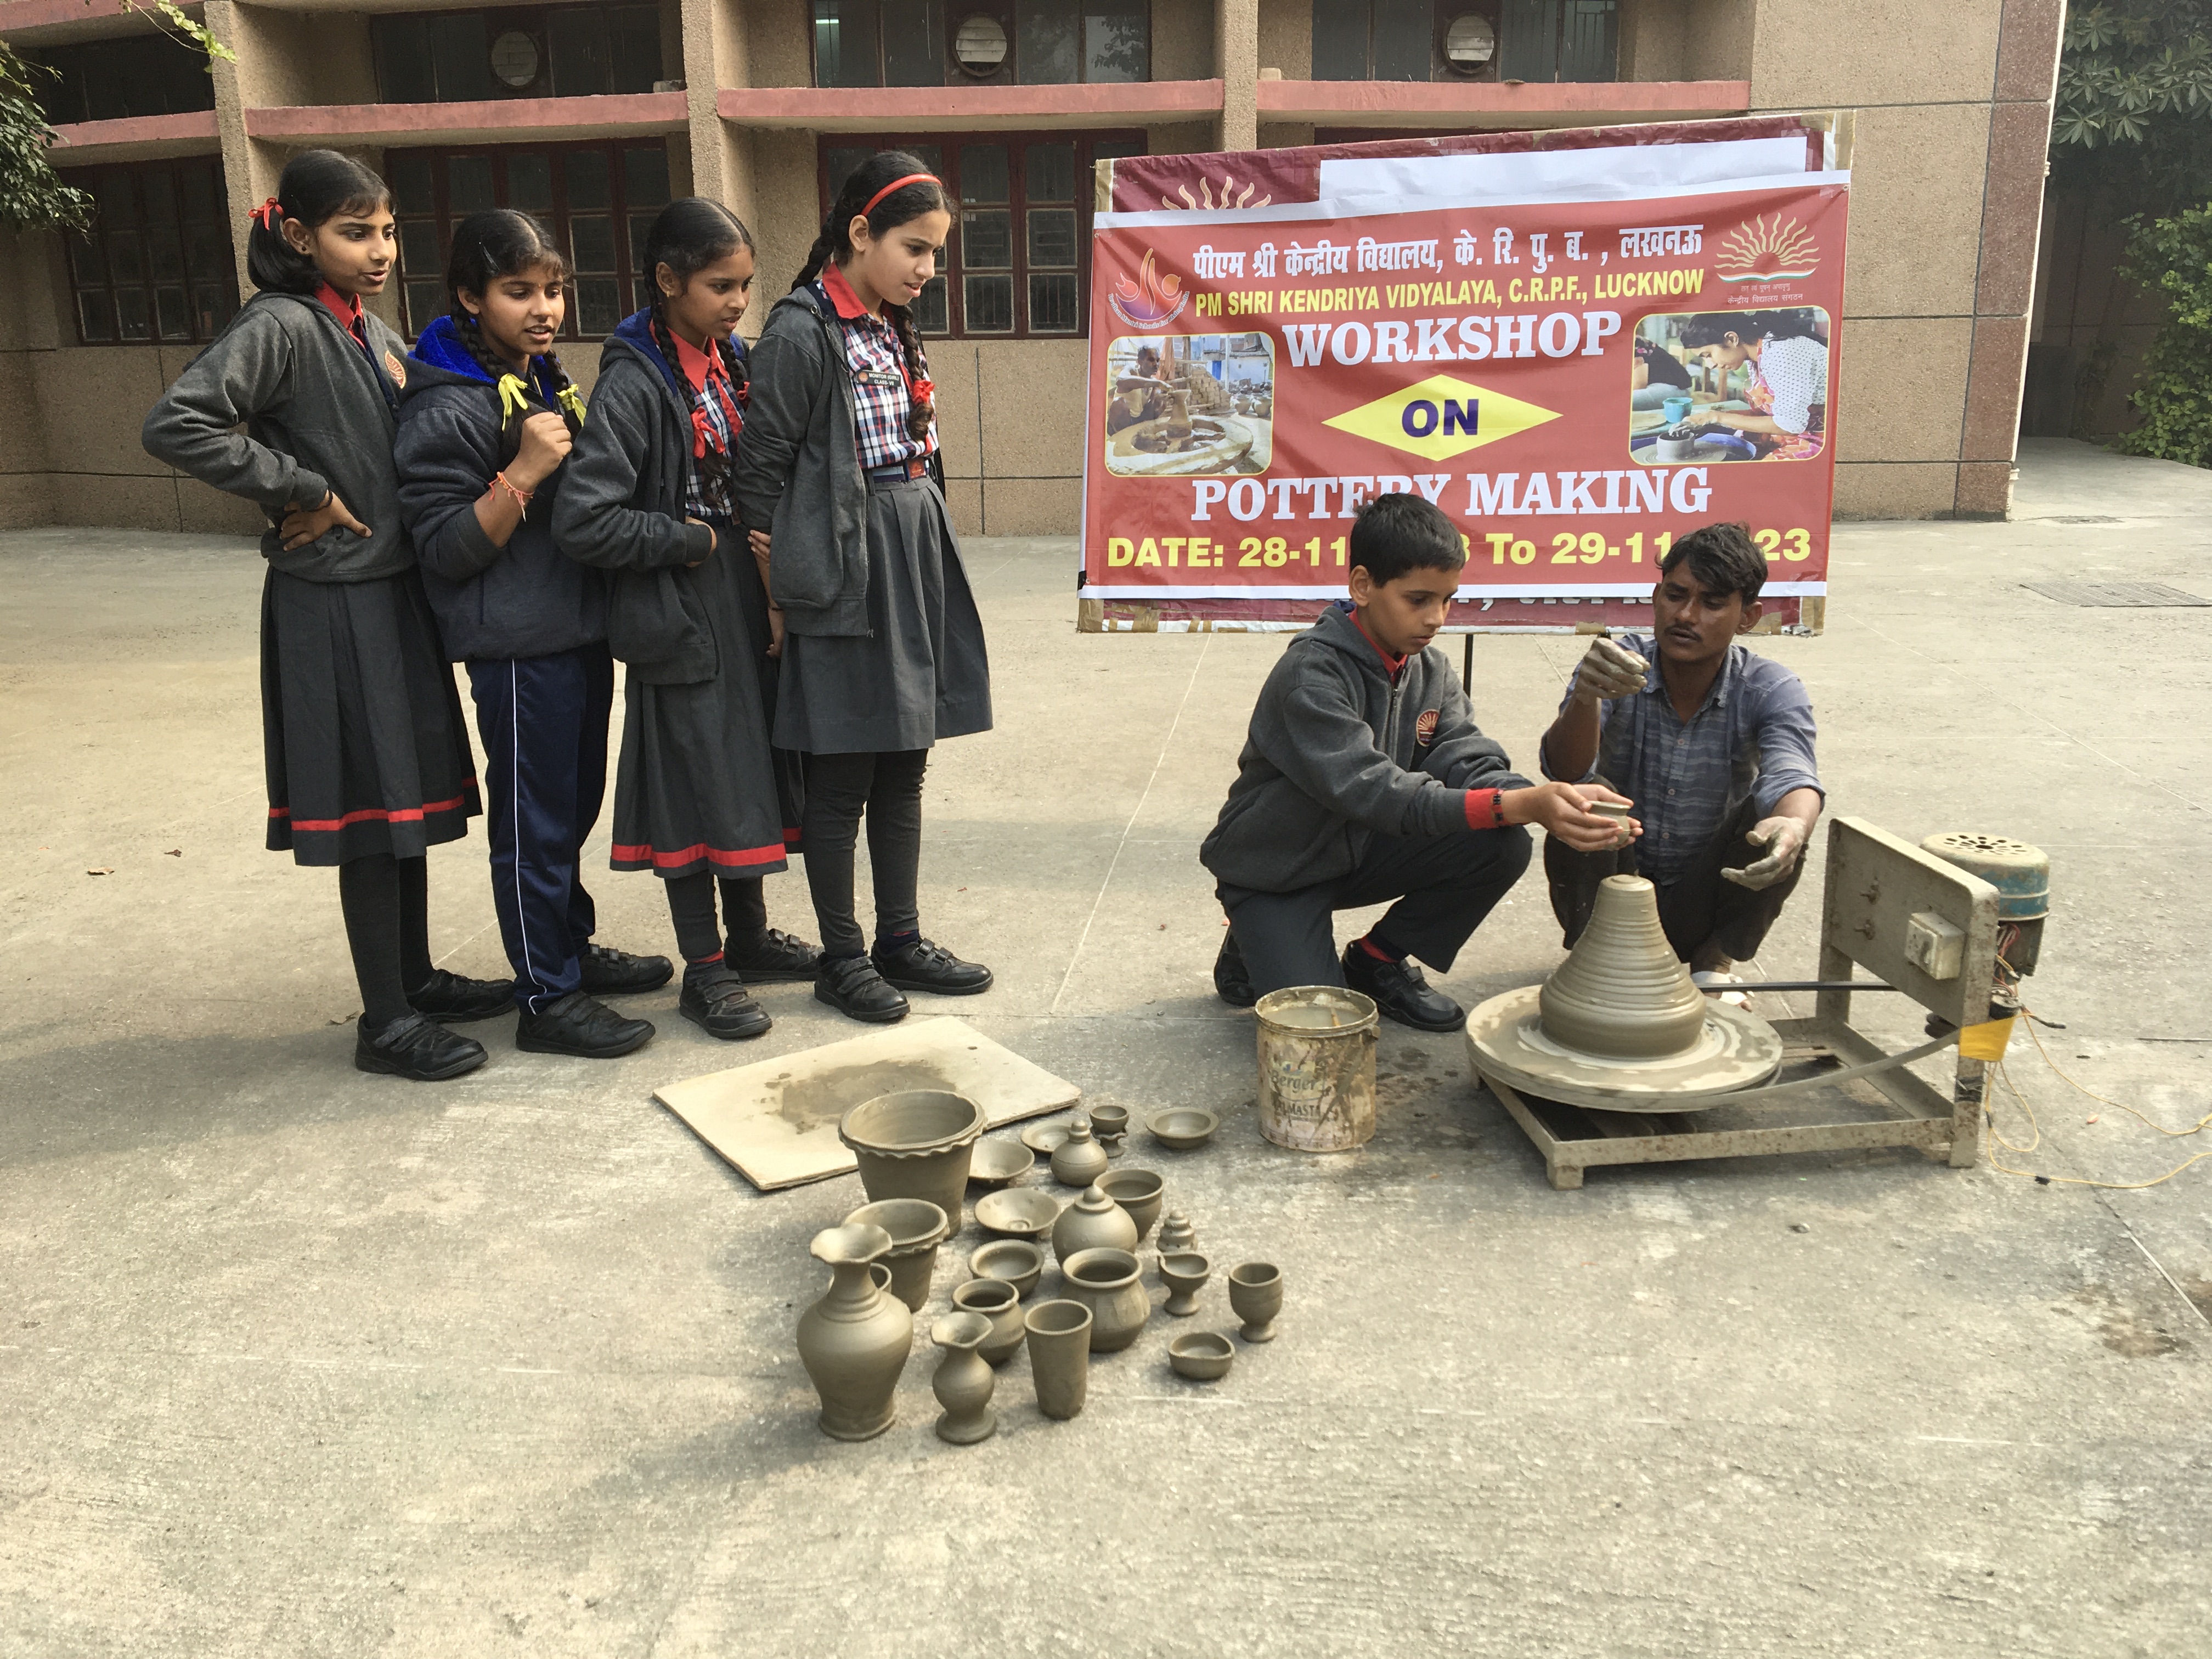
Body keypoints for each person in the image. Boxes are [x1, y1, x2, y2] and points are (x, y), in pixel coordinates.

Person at [142, 149, 506, 1082]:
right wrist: (297, 486)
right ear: (299, 237)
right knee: (370, 809)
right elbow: (179, 422)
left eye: (387, 229)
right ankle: (385, 1021)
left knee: (410, 804)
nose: (379, 248)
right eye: (356, 232)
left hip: (395, 594)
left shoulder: (368, 330)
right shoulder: (280, 325)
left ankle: (414, 978)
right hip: (335, 602)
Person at [392, 207, 670, 1062]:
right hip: (517, 650)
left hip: (575, 631)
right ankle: (546, 998)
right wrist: (520, 473)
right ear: (470, 298)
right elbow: (443, 549)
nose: (543, 308)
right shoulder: (447, 405)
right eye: (519, 292)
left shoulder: (542, 379)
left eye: (553, 290)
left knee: (570, 811)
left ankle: (568, 948)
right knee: (533, 825)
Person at [1201, 493, 1631, 1032]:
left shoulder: (1429, 668)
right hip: (1277, 869)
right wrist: (1521, 802)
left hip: (1360, 849)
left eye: (1449, 600)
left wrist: (1546, 803)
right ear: (1362, 586)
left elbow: (1468, 756)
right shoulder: (1311, 676)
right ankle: (1255, 930)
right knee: (1327, 1038)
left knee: (1503, 843)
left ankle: (1376, 960)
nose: (1436, 618)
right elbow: (1377, 793)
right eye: (1419, 599)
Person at [735, 151, 994, 1026]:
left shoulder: (887, 321)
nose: (926, 269)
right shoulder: (801, 331)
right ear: (859, 233)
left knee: (906, 763)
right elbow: (760, 477)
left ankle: (901, 938)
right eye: (914, 249)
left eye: (935, 255)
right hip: (845, 565)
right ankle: (842, 957)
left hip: (909, 551)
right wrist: (778, 596)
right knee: (843, 774)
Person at [552, 198, 820, 1042]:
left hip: (741, 600)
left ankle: (747, 937)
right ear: (667, 281)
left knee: (744, 770)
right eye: (718, 286)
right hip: (682, 610)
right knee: (693, 784)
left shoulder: (727, 362)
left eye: (745, 284)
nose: (738, 301)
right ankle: (706, 971)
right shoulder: (635, 383)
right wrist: (691, 538)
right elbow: (583, 520)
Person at [1538, 521, 1824, 982]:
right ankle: (1596, 955)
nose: (1687, 616)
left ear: (1748, 617)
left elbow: (1793, 774)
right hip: (1617, 882)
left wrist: (1792, 825)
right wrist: (1586, 696)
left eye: (1712, 604)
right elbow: (1565, 770)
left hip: (1706, 897)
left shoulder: (1770, 687)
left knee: (1780, 826)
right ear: (1656, 597)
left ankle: (1715, 961)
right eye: (1676, 595)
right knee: (1584, 796)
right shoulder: (1614, 663)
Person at [1677, 312, 1827, 460]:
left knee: (1763, 471)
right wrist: (1706, 420)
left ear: (1732, 339)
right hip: (1799, 427)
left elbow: (1791, 425)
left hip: (1825, 434)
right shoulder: (1757, 356)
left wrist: (1715, 417)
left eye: (1708, 355)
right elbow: (1769, 413)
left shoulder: (1783, 353)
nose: (1710, 365)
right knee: (1734, 440)